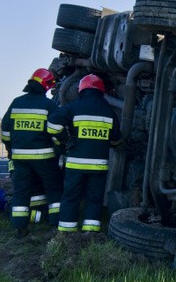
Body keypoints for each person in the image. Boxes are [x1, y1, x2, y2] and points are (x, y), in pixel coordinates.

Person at [48, 74, 121, 233]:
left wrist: (64, 140)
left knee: (71, 197)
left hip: (76, 164)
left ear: (80, 90)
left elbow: (52, 125)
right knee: (94, 199)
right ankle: (90, 232)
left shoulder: (73, 107)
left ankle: (66, 233)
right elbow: (116, 140)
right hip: (99, 166)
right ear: (102, 91)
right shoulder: (109, 111)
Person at [1, 68, 64, 237]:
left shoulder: (16, 102)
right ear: (46, 86)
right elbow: (56, 130)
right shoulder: (49, 105)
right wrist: (61, 147)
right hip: (45, 157)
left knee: (21, 192)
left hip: (20, 157)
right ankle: (55, 226)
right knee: (53, 189)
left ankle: (20, 228)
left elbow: (5, 130)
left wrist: (10, 148)